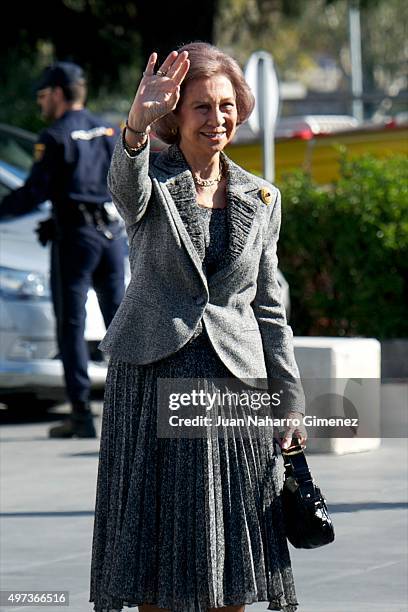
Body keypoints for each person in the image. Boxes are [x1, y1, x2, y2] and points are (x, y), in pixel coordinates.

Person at [89, 43, 307, 612]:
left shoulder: (262, 197)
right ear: (176, 116)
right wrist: (135, 127)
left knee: (234, 551)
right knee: (154, 553)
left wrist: (289, 400)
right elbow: (123, 189)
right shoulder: (150, 181)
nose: (218, 119)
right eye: (202, 107)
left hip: (235, 385)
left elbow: (269, 307)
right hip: (152, 377)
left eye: (227, 106)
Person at [0, 62, 125, 439]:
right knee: (119, 326)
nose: (41, 105)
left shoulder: (54, 136)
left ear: (57, 92)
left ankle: (82, 415)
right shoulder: (109, 129)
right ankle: (128, 411)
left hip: (76, 240)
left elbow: (34, 191)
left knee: (70, 327)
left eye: (42, 97)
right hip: (112, 236)